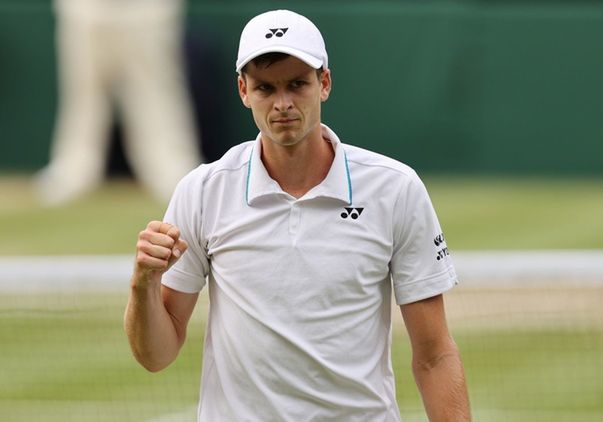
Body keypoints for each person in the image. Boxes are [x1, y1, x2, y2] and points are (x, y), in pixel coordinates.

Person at [125, 9, 470, 421]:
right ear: (243, 90)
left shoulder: (395, 189)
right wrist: (143, 283)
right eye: (266, 88)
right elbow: (156, 356)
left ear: (324, 83)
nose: (282, 103)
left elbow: (434, 355)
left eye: (297, 84)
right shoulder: (203, 191)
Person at [35, 0, 202, 206]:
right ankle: (73, 172)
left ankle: (173, 174)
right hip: (86, 9)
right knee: (84, 90)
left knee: (156, 93)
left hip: (145, 10)